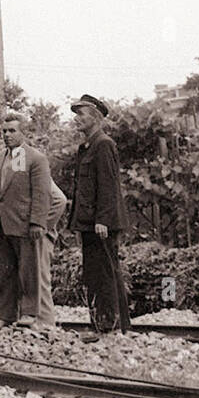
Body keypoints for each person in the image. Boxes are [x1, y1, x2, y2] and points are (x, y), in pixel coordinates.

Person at [70, 94, 132, 337]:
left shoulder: (103, 144)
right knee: (98, 273)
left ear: (95, 118)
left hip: (100, 224)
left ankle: (108, 326)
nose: (76, 119)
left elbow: (108, 186)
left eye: (81, 114)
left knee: (104, 273)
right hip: (90, 222)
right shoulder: (86, 146)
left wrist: (102, 220)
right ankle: (114, 325)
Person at [0, 112, 53, 331]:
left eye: (12, 130)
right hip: (2, 224)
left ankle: (29, 312)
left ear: (23, 132)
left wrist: (37, 223)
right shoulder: (0, 158)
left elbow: (42, 194)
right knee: (5, 272)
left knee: (28, 271)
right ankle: (5, 315)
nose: (7, 135)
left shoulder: (35, 158)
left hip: (24, 224)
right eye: (4, 131)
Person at [35, 178, 69, 335]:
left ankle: (47, 327)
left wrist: (42, 227)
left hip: (38, 237)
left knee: (40, 279)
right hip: (26, 236)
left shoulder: (35, 167)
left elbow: (59, 200)